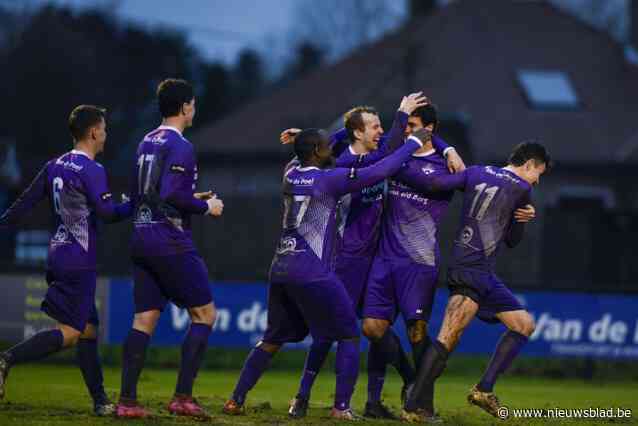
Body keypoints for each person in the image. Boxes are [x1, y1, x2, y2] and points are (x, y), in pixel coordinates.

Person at [223, 126, 430, 420]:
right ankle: (341, 408)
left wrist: (331, 134)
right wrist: (411, 143)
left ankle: (236, 399)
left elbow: (306, 151)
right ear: (317, 152)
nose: (331, 149)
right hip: (312, 270)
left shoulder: (290, 173)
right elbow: (381, 170)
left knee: (270, 339)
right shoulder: (329, 180)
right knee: (348, 334)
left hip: (281, 267)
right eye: (326, 146)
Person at [401, 141, 550, 422]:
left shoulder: (476, 171)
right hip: (473, 271)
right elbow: (513, 241)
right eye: (538, 172)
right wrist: (524, 217)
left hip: (474, 269)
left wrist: (401, 169)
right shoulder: (522, 188)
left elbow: (436, 185)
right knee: (448, 338)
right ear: (529, 163)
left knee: (523, 324)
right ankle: (413, 406)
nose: (537, 179)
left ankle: (483, 390)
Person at [0, 105, 132, 416]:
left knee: (89, 330)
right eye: (104, 129)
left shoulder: (54, 165)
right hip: (78, 260)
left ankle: (100, 401)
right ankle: (7, 359)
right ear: (94, 132)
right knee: (72, 333)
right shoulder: (93, 170)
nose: (106, 135)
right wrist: (133, 203)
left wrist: (2, 222)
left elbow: (23, 204)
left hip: (57, 255)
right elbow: (108, 213)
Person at [115, 79, 223, 419]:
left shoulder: (145, 141)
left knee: (144, 319)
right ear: (185, 107)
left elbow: (140, 195)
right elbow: (172, 194)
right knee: (205, 315)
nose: (195, 109)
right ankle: (182, 398)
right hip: (169, 240)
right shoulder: (181, 145)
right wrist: (208, 207)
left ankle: (127, 402)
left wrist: (194, 197)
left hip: (141, 236)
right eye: (193, 103)